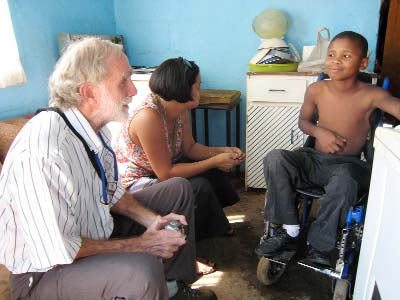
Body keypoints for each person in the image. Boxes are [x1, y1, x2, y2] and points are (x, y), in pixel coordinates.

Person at [0, 38, 217, 300]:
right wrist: (141, 244)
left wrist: (152, 220)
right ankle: (154, 283)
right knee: (141, 269)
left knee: (178, 190)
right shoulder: (45, 154)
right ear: (89, 92)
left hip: (96, 229)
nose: (133, 91)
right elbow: (61, 250)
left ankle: (173, 287)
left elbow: (111, 190)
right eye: (123, 81)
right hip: (46, 274)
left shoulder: (92, 128)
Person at [255, 31, 400, 266]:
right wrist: (320, 131)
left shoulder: (372, 94)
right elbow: (304, 122)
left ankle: (320, 246)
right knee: (275, 158)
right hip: (313, 159)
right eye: (331, 54)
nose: (336, 60)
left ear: (363, 63)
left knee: (346, 179)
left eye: (346, 56)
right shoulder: (316, 90)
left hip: (348, 166)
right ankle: (290, 231)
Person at [113, 57, 244, 271]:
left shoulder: (180, 109)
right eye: (198, 86)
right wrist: (214, 160)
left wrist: (221, 152)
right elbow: (166, 174)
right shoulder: (149, 117)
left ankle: (208, 228)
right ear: (183, 89)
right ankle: (185, 254)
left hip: (160, 169)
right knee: (196, 187)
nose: (201, 90)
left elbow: (190, 149)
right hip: (137, 182)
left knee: (212, 170)